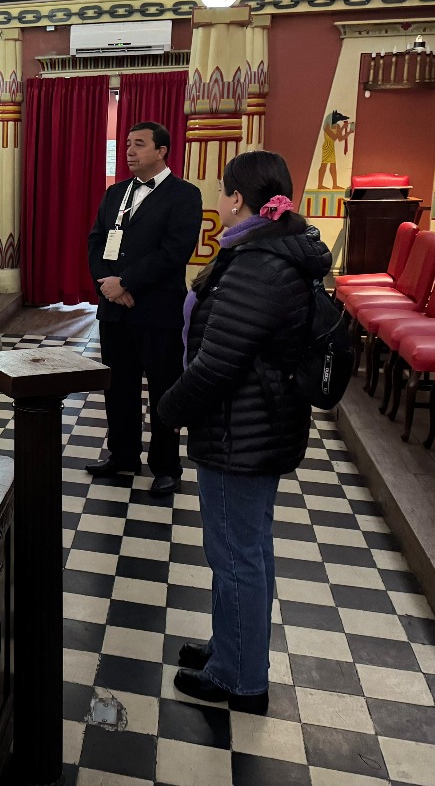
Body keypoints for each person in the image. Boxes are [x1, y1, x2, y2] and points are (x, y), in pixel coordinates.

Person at [157, 150, 331, 714]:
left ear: (237, 199)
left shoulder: (260, 264)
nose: (216, 198)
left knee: (236, 554)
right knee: (244, 548)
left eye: (221, 190)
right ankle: (231, 647)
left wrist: (167, 410)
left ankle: (239, 678)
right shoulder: (268, 249)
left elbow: (218, 363)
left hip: (241, 429)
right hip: (254, 424)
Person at [86, 122, 200, 496]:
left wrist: (127, 282)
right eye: (127, 144)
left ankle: (166, 466)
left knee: (164, 389)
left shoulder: (184, 195)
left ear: (162, 151)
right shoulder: (115, 192)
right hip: (115, 310)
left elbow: (174, 252)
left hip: (158, 310)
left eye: (139, 144)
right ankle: (123, 455)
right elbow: (96, 242)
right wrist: (108, 285)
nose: (130, 151)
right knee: (118, 387)